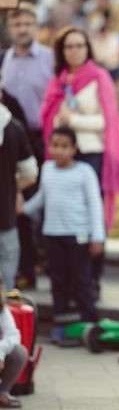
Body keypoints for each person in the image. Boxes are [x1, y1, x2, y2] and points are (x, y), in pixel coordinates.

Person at [40, 25, 119, 296]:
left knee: (93, 215)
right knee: (67, 214)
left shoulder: (99, 77)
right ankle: (69, 281)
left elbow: (108, 121)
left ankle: (93, 279)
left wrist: (74, 120)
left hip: (92, 152)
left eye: (79, 45)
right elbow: (48, 119)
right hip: (63, 154)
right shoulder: (58, 81)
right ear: (62, 51)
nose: (75, 50)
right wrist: (60, 119)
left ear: (87, 48)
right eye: (69, 46)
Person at [21, 127, 105, 344]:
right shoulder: (47, 169)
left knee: (81, 280)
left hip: (78, 236)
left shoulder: (84, 172)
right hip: (52, 235)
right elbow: (42, 197)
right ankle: (62, 324)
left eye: (64, 146)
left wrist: (98, 236)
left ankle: (89, 323)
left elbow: (95, 205)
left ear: (74, 149)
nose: (58, 151)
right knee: (58, 281)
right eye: (54, 145)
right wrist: (23, 209)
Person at [1, 2, 54, 289]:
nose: (22, 30)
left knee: (40, 202)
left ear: (36, 27)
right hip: (10, 136)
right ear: (10, 28)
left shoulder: (48, 58)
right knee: (16, 205)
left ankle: (44, 259)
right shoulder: (3, 60)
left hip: (40, 136)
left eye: (27, 24)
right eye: (17, 25)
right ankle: (27, 267)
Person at [0, 103, 38, 291]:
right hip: (5, 217)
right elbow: (30, 174)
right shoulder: (14, 128)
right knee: (6, 288)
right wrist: (11, 188)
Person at [0, 273, 28, 408]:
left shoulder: (2, 308)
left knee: (19, 352)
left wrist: (0, 352)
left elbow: (13, 335)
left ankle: (2, 393)